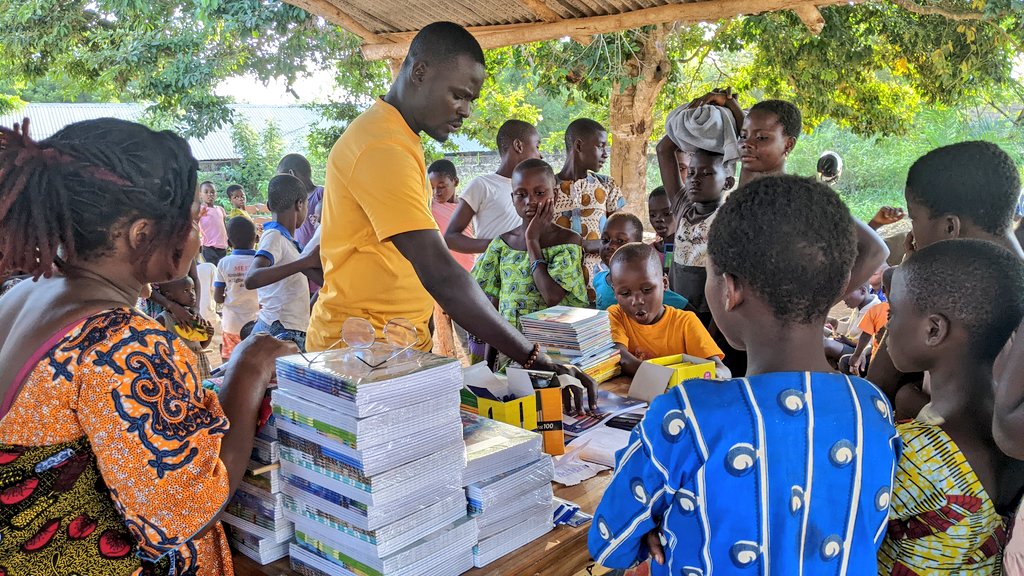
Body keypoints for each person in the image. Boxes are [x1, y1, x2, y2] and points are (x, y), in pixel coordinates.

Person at [0, 117, 295, 574]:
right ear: (140, 234)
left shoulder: (24, 293)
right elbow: (184, 513)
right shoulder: (118, 342)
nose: (198, 237)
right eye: (194, 220)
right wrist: (248, 368)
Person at [589, 175, 900, 574]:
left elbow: (608, 542)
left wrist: (650, 527)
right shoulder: (871, 406)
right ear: (839, 285)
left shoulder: (687, 416)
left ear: (729, 290)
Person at [307, 21, 596, 412]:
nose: (466, 111)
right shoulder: (382, 147)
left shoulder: (397, 138)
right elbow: (440, 272)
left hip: (387, 347)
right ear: (420, 71)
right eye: (459, 95)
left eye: (471, 99)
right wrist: (532, 357)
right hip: (358, 353)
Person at [657, 89, 889, 301]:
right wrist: (719, 109)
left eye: (762, 138)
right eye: (743, 136)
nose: (747, 144)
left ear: (788, 144)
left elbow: (875, 249)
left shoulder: (795, 197)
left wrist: (817, 308)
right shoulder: (748, 197)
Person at [879, 239, 1024, 575]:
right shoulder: (1013, 428)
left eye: (893, 312)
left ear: (933, 330)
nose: (887, 325)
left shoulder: (909, 453)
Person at [870, 142, 1024, 411]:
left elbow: (879, 384)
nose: (913, 233)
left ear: (950, 227)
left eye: (915, 219)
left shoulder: (978, 302)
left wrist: (911, 275)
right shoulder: (982, 285)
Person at [473, 159, 588, 334]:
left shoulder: (567, 241)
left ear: (555, 196)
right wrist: (490, 360)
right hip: (511, 348)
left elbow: (552, 297)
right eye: (521, 194)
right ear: (512, 198)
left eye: (540, 192)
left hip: (554, 347)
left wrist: (532, 240)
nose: (530, 200)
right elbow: (495, 306)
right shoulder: (502, 244)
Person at [607, 242, 725, 378]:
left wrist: (718, 374)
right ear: (615, 293)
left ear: (664, 283)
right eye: (625, 293)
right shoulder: (616, 316)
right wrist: (666, 376)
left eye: (646, 290)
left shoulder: (685, 322)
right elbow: (619, 356)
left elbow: (718, 367)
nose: (637, 300)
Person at [244, 174, 320, 351]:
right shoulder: (274, 236)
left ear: (269, 206)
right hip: (280, 328)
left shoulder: (290, 244)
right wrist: (305, 262)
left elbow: (320, 281)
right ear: (300, 204)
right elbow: (252, 278)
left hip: (289, 326)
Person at [444, 119, 541, 255]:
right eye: (537, 146)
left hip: (523, 273)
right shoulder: (482, 185)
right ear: (518, 145)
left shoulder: (536, 190)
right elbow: (451, 238)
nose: (540, 155)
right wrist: (501, 244)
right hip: (490, 273)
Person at [553, 118, 627, 294]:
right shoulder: (547, 189)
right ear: (578, 146)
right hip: (558, 287)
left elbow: (623, 235)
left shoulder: (606, 186)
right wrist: (584, 245)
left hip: (602, 286)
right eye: (600, 146)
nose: (605, 154)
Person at [669, 148, 736, 325]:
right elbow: (663, 150)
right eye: (691, 173)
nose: (695, 180)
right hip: (677, 313)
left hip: (711, 318)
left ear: (727, 182)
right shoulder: (683, 209)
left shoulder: (726, 221)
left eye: (706, 174)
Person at [594, 212, 688, 312]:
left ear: (638, 244)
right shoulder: (599, 280)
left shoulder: (649, 287)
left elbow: (687, 310)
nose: (610, 245)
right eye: (605, 239)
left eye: (620, 241)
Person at [215, 216, 260, 362]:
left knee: (229, 361)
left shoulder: (224, 263)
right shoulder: (260, 262)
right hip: (256, 323)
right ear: (256, 238)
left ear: (228, 243)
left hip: (231, 323)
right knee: (253, 359)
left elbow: (218, 297)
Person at [155, 275, 214, 380]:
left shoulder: (194, 316)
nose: (192, 294)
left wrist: (209, 336)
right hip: (180, 368)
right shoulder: (163, 319)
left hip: (199, 363)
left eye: (192, 289)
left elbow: (201, 346)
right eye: (186, 291)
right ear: (169, 296)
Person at [428, 159, 475, 272]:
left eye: (442, 186)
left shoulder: (467, 206)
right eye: (432, 187)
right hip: (443, 270)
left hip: (470, 267)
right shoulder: (429, 207)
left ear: (455, 182)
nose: (436, 193)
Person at [844, 268, 893, 376]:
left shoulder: (876, 309)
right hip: (887, 360)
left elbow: (866, 336)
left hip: (877, 360)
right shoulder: (908, 312)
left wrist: (857, 355)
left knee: (847, 363)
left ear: (883, 290)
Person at [825, 283, 882, 365]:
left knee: (827, 344)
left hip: (858, 353)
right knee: (818, 332)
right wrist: (833, 321)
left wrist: (848, 342)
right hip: (846, 343)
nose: (843, 300)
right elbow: (849, 329)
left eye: (846, 295)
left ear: (862, 291)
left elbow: (871, 343)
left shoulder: (876, 309)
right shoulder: (859, 306)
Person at [278, 153, 323, 248]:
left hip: (318, 252)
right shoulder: (293, 199)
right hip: (300, 252)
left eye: (282, 178)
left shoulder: (320, 194)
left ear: (291, 174)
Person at [646, 186, 676, 274]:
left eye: (667, 213)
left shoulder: (691, 251)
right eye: (652, 215)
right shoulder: (648, 252)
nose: (658, 219)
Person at [198, 180, 229, 265]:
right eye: (206, 192)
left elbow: (224, 226)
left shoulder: (220, 209)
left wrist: (228, 239)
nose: (210, 194)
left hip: (222, 246)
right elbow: (195, 224)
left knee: (221, 270)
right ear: (200, 194)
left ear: (216, 194)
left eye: (212, 192)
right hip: (208, 247)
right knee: (211, 269)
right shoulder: (200, 210)